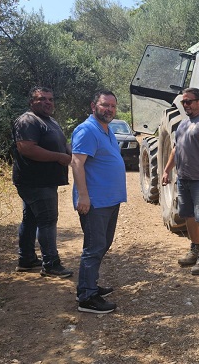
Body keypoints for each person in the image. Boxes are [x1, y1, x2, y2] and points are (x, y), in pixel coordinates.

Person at [71, 90, 126, 313]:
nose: (109, 109)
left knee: (102, 245)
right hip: (95, 202)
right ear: (94, 105)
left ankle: (89, 285)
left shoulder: (106, 130)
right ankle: (87, 297)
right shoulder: (87, 130)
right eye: (105, 105)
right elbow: (76, 163)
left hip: (110, 201)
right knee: (94, 248)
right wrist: (83, 195)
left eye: (113, 106)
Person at [12, 86, 73, 278]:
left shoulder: (49, 121)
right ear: (32, 102)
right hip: (35, 182)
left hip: (44, 181)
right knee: (47, 220)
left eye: (50, 99)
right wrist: (58, 157)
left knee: (30, 219)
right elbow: (27, 148)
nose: (48, 102)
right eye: (42, 99)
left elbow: (61, 143)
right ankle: (51, 264)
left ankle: (26, 259)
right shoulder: (27, 120)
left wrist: (72, 152)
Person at [161, 88, 199, 275]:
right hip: (184, 179)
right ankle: (195, 249)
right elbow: (175, 149)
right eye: (183, 102)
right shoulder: (182, 124)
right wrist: (166, 170)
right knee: (188, 215)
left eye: (189, 101)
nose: (185, 105)